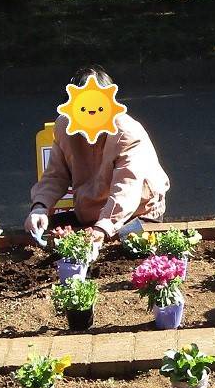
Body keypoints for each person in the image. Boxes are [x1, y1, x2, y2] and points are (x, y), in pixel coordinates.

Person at [25, 65, 170, 251]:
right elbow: (55, 175)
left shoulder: (127, 133)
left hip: (137, 212)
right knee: (39, 231)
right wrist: (40, 207)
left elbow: (126, 189)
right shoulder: (64, 126)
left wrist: (102, 228)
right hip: (90, 211)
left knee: (131, 250)